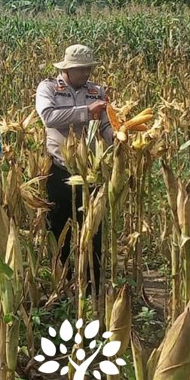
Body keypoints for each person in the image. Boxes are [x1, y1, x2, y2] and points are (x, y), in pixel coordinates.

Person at [35, 44, 114, 291]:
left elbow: (105, 124)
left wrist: (118, 138)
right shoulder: (48, 88)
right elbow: (49, 117)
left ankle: (92, 285)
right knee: (60, 229)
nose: (86, 73)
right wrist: (85, 111)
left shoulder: (96, 91)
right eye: (81, 68)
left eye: (89, 68)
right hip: (59, 169)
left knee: (93, 228)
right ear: (67, 68)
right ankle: (62, 283)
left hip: (90, 171)